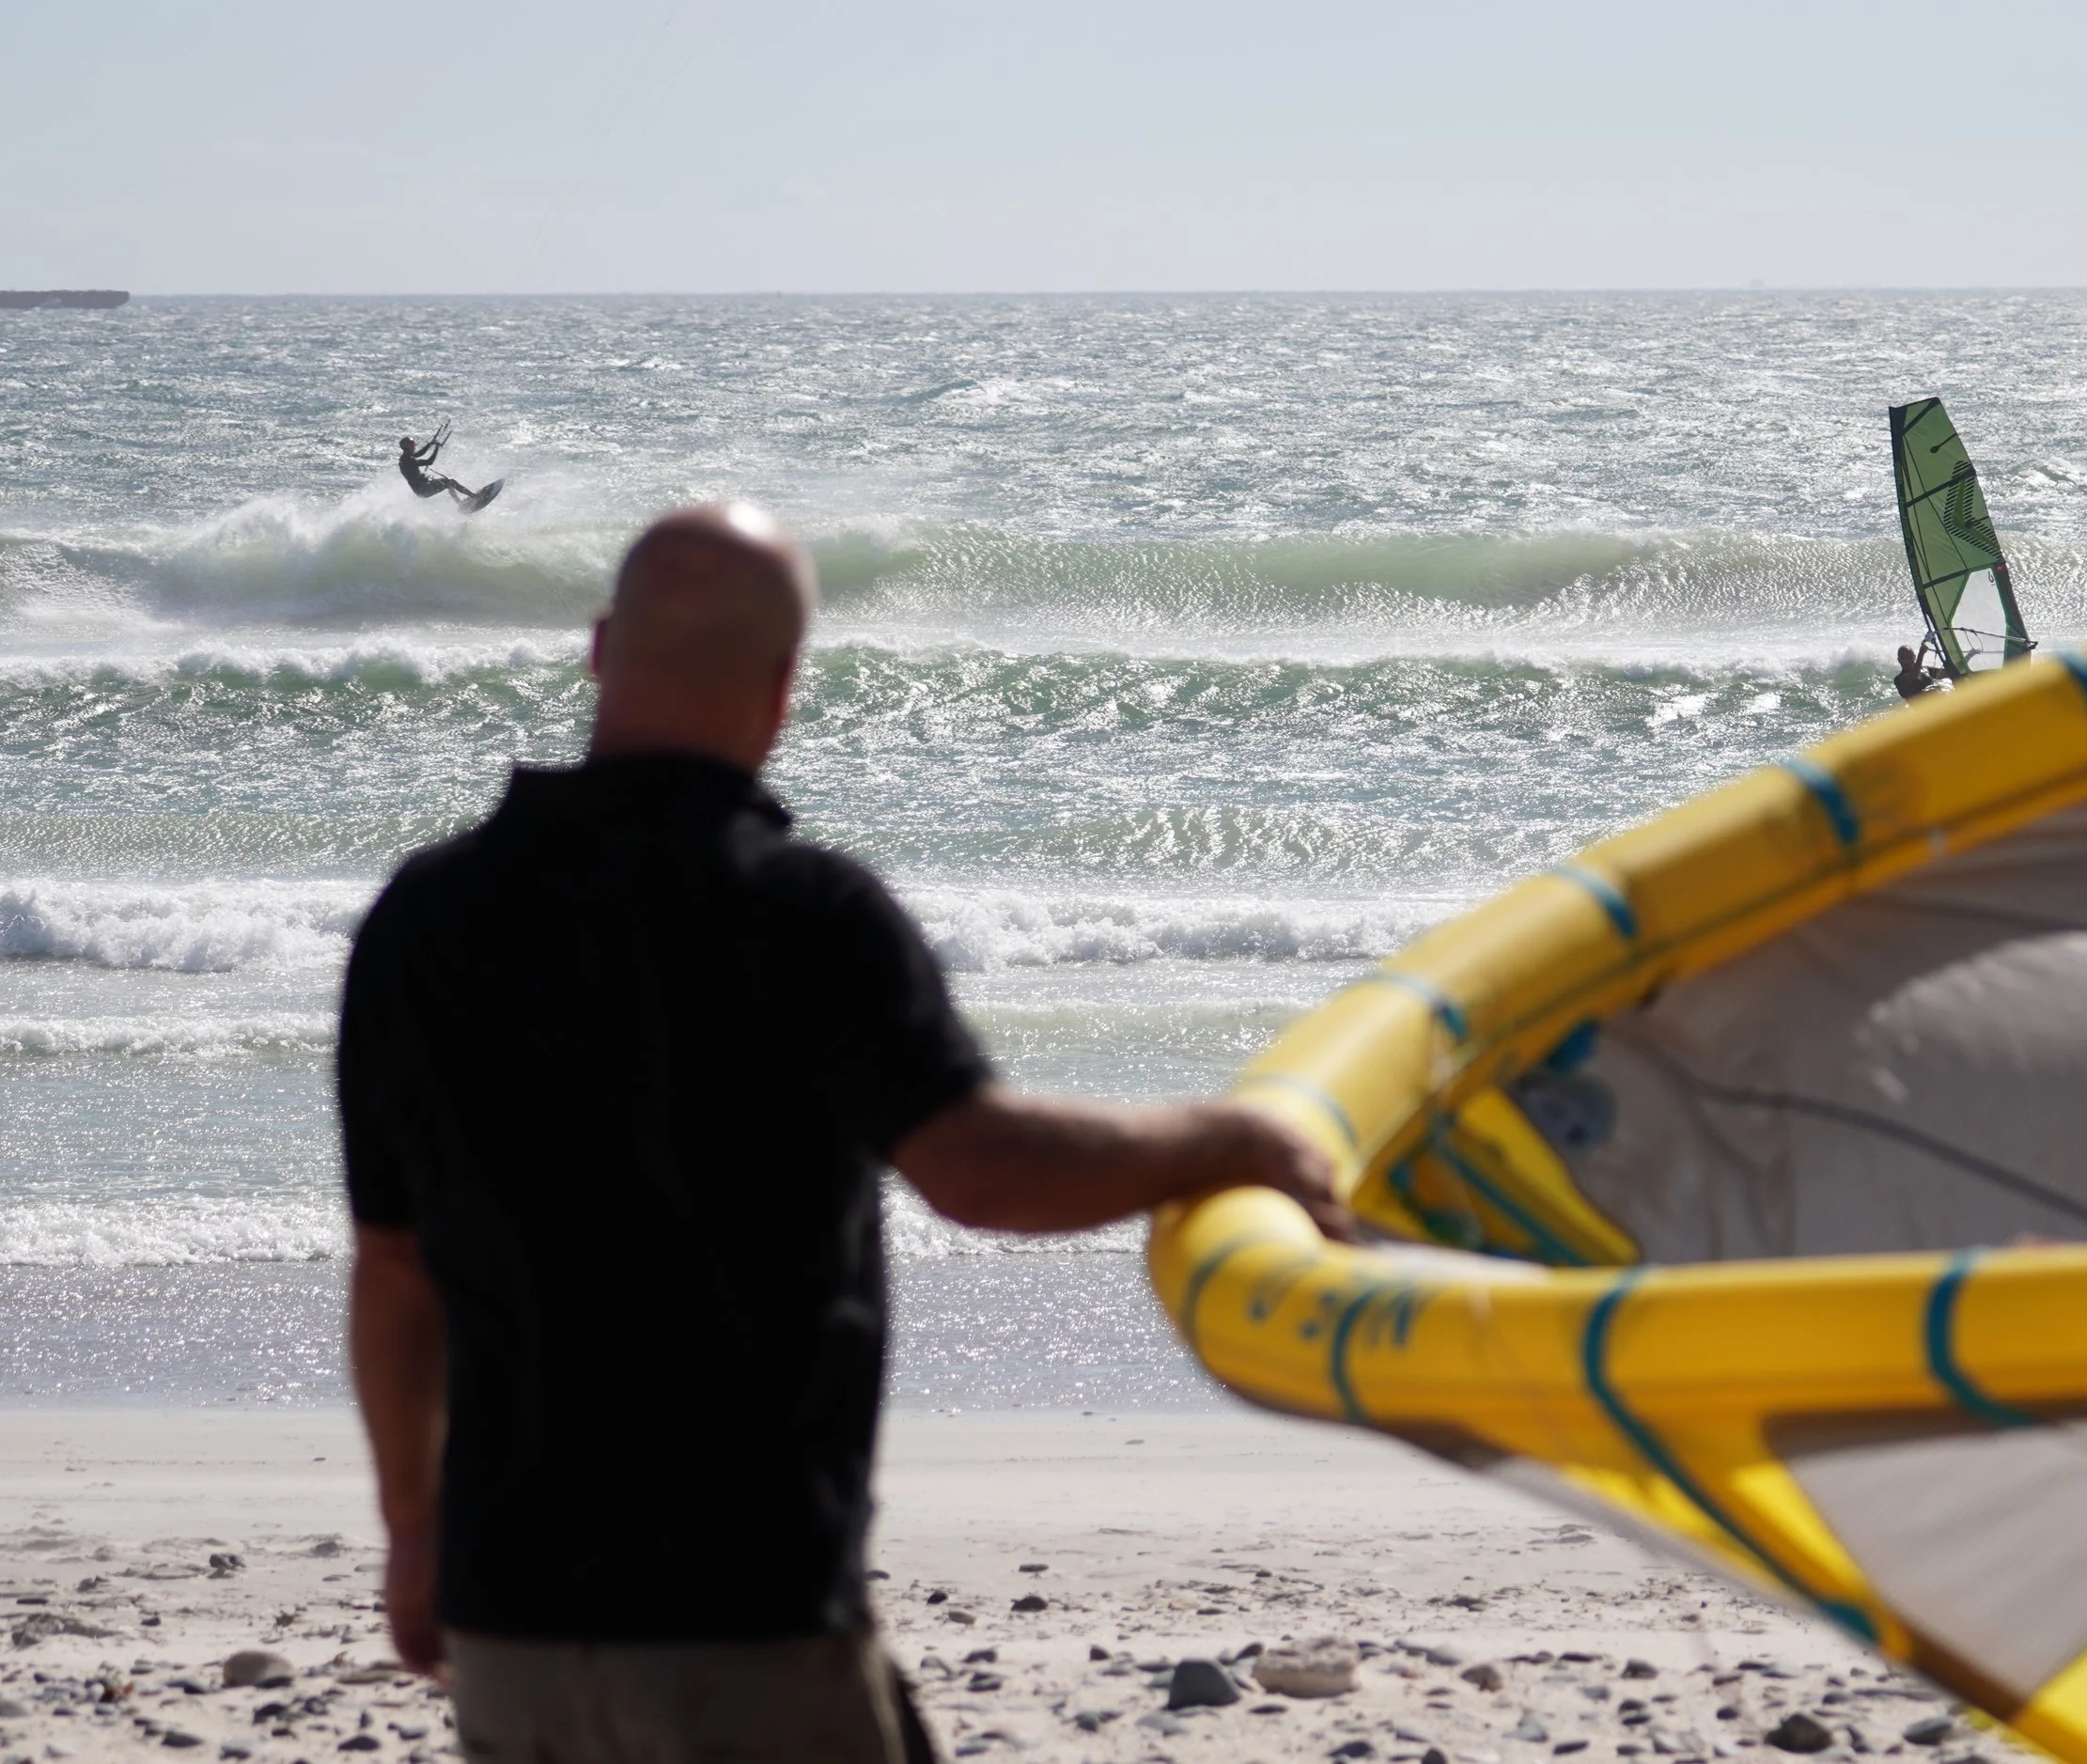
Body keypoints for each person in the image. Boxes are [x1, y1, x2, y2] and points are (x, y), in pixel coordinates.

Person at [339, 504, 1342, 1764]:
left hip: (511, 1626)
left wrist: (416, 1529)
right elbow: (979, 1168)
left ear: (598, 648)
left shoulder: (424, 920)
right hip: (743, 1618)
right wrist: (1229, 1139)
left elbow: (391, 1270)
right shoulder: (807, 916)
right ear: (785, 688)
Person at [397, 429, 477, 504]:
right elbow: (430, 462)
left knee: (447, 481)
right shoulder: (409, 461)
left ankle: (460, 503)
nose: (415, 446)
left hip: (421, 489)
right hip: (423, 489)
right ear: (407, 448)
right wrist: (436, 448)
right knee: (451, 482)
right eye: (412, 444)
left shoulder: (404, 458)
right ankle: (474, 497)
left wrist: (430, 444)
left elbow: (418, 454)